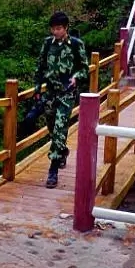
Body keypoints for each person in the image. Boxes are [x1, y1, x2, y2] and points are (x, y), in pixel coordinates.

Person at [33, 11, 89, 189]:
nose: (55, 32)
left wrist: (76, 78)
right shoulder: (47, 43)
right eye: (53, 29)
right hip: (50, 92)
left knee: (60, 127)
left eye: (59, 28)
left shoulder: (76, 45)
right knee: (51, 124)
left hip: (67, 93)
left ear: (66, 28)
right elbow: (40, 65)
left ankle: (53, 169)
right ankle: (62, 150)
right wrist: (36, 88)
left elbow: (84, 69)